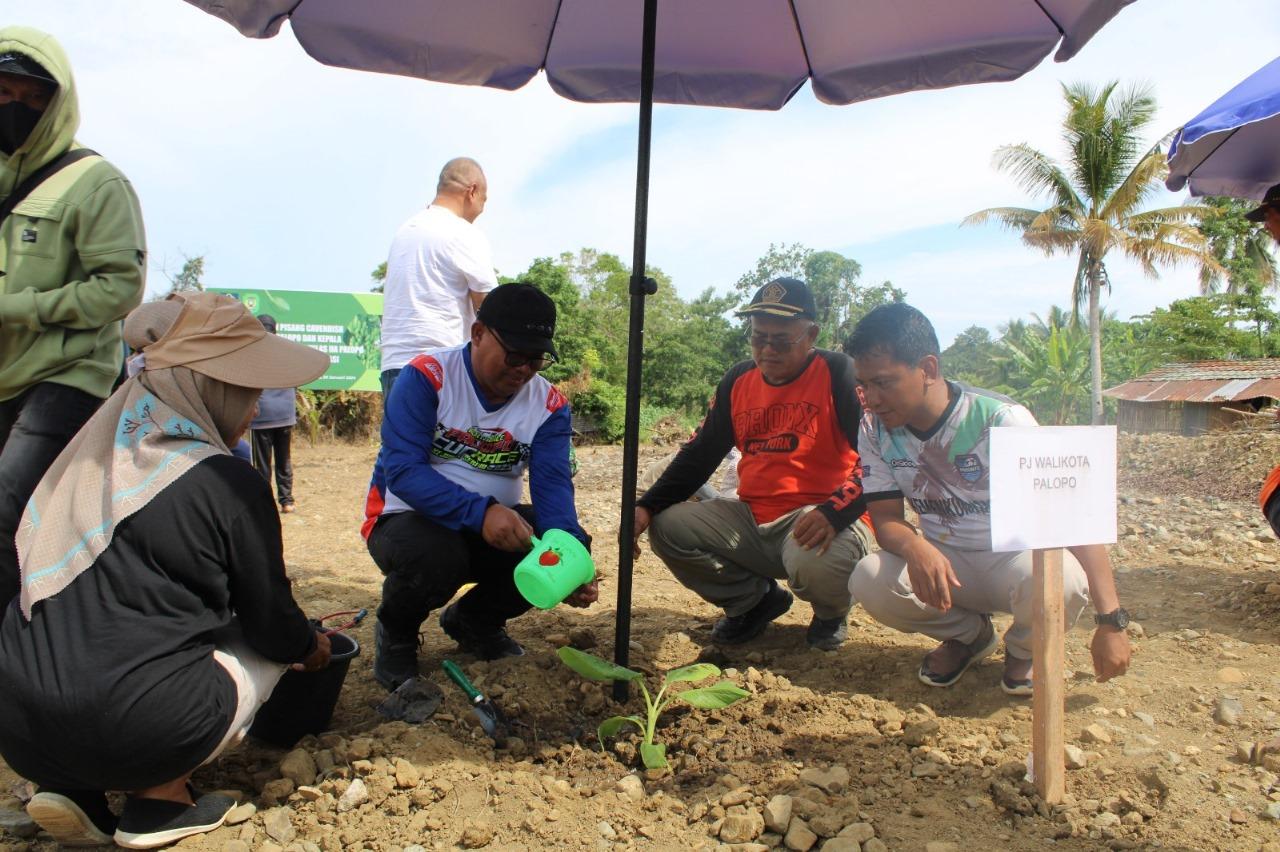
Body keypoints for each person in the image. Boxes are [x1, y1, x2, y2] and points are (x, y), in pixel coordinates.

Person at [0, 293, 332, 848]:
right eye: (246, 392)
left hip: (20, 727)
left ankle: (70, 789)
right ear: (210, 388)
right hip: (137, 731)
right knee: (266, 653)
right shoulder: (227, 482)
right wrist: (312, 647)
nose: (253, 410)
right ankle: (160, 800)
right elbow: (272, 625)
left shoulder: (86, 459)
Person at [845, 303, 1131, 695]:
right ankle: (969, 637)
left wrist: (1111, 622)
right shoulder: (873, 428)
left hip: (1011, 562)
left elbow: (1073, 520)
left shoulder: (1000, 420)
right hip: (948, 564)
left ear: (928, 369)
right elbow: (885, 519)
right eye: (864, 385)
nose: (872, 398)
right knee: (869, 579)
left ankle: (1023, 650)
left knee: (1061, 579)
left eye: (884, 383)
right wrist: (916, 547)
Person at [363, 282, 598, 689]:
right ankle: (396, 634)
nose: (524, 369)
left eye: (536, 359)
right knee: (436, 556)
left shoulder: (550, 407)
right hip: (406, 520)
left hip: (491, 527)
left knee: (565, 545)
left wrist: (571, 559)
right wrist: (481, 511)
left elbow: (554, 488)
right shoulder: (427, 377)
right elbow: (402, 472)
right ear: (477, 334)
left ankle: (474, 621)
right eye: (515, 355)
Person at [633, 278, 872, 651]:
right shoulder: (739, 379)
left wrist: (835, 512)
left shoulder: (839, 372)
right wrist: (646, 507)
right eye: (759, 338)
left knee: (819, 561)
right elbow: (699, 454)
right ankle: (755, 602)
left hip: (820, 516)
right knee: (668, 527)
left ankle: (831, 612)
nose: (767, 350)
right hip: (752, 518)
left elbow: (879, 461)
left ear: (811, 335)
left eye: (781, 340)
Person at [0, 27, 146, 611]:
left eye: (33, 98)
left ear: (58, 102)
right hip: (6, 371)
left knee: (9, 505)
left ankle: (20, 654)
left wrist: (22, 309)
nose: (17, 107)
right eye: (5, 92)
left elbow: (120, 288)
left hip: (66, 373)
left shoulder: (95, 182)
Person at [378, 157, 498, 403]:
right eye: (484, 201)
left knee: (403, 442)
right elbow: (490, 310)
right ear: (472, 191)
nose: (481, 211)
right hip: (441, 367)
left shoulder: (406, 231)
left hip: (394, 368)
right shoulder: (463, 232)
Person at [249, 314, 299, 513]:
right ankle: (287, 502)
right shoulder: (287, 350)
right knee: (284, 458)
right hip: (285, 412)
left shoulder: (254, 352)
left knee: (262, 463)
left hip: (263, 415)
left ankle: (264, 503)